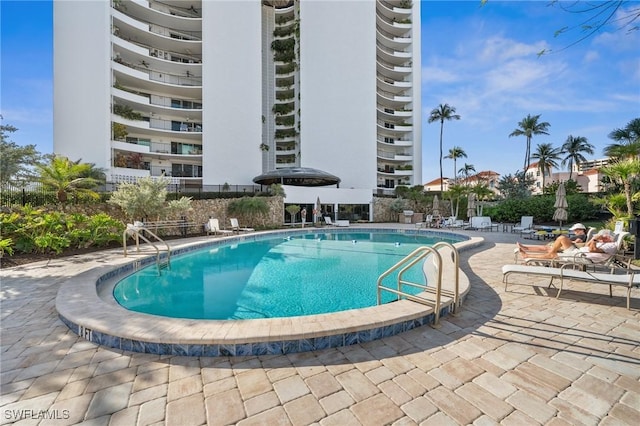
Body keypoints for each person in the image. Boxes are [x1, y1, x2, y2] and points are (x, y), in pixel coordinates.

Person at [518, 229, 617, 261]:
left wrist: (595, 239)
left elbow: (592, 250)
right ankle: (550, 253)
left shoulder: (611, 246)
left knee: (552, 253)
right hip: (578, 252)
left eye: (604, 237)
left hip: (582, 257)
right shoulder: (602, 243)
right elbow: (587, 245)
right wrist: (594, 239)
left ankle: (527, 255)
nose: (602, 238)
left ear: (609, 238)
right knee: (561, 238)